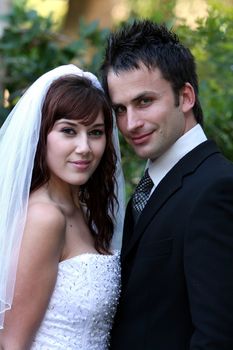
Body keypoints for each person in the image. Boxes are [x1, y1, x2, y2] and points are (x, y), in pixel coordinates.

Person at [100, 19, 233, 349]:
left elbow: (217, 335)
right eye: (120, 109)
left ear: (185, 97)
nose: (131, 124)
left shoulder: (217, 189)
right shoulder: (150, 186)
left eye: (144, 101)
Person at [0, 64, 125, 349]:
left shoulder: (84, 209)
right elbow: (12, 343)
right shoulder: (45, 217)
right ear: (41, 136)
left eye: (95, 133)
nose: (84, 147)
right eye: (69, 131)